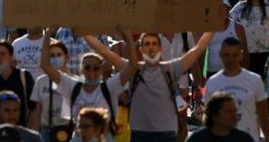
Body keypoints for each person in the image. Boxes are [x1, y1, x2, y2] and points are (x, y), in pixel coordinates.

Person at [83, 31, 214, 142]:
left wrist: (213, 26)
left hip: (165, 133)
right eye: (147, 44)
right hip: (140, 134)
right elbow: (105, 53)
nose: (151, 48)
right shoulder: (134, 69)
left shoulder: (171, 69)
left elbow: (198, 49)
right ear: (141, 49)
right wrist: (84, 33)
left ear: (160, 48)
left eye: (154, 44)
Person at [40, 27, 137, 141]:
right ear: (81, 70)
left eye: (96, 68)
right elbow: (45, 66)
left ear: (101, 70)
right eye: (87, 68)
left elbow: (132, 66)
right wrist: (47, 35)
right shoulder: (72, 85)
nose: (92, 72)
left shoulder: (110, 87)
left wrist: (128, 36)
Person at [204, 37, 269, 142]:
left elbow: (263, 115)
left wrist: (267, 138)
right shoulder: (212, 83)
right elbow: (208, 118)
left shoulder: (255, 80)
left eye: (234, 55)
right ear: (221, 54)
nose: (230, 60)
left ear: (241, 55)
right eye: (227, 55)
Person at [186, 91, 254, 142]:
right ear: (214, 115)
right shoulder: (198, 139)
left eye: (235, 111)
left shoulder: (244, 139)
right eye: (229, 111)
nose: (234, 114)